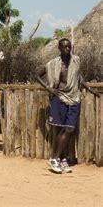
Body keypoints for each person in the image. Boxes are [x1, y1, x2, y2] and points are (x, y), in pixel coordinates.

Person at [36, 38, 99, 173]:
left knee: (69, 129)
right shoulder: (53, 64)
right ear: (59, 48)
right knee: (60, 131)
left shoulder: (76, 61)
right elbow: (37, 75)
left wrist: (90, 89)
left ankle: (56, 158)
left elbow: (79, 78)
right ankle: (59, 159)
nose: (68, 49)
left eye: (69, 47)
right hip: (59, 98)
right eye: (65, 47)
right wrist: (49, 88)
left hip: (74, 98)